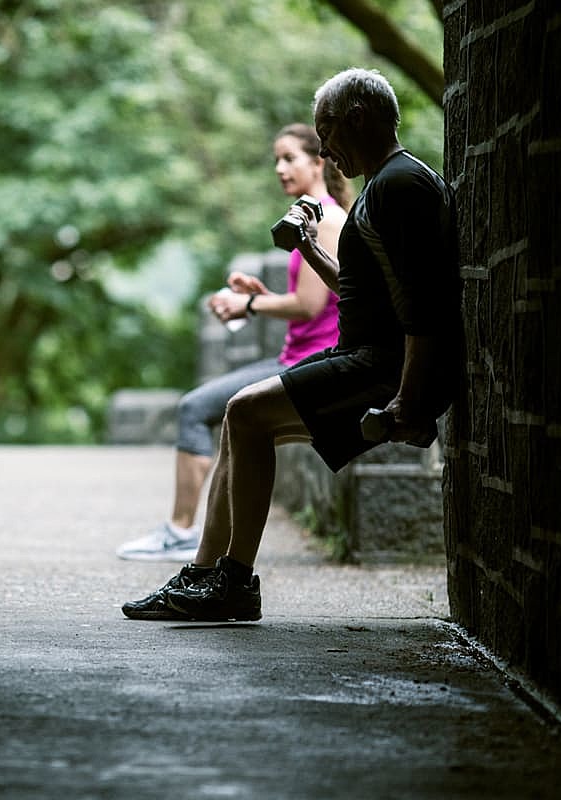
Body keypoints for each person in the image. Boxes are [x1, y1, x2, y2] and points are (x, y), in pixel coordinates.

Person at [122, 67, 460, 621]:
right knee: (240, 421)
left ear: (357, 118)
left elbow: (423, 301)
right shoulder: (383, 184)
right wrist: (308, 245)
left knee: (245, 412)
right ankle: (202, 577)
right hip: (363, 354)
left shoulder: (400, 186)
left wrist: (410, 398)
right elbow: (359, 290)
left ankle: (233, 583)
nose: (324, 149)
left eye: (326, 131)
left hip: (381, 365)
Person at [116, 123, 352, 561]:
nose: (279, 168)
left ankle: (183, 533)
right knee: (217, 416)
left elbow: (307, 305)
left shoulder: (326, 219)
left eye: (289, 158)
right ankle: (201, 540)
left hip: (308, 362)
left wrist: (248, 306)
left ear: (319, 161)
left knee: (196, 408)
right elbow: (315, 300)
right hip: (294, 355)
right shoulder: (312, 214)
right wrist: (258, 297)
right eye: (276, 160)